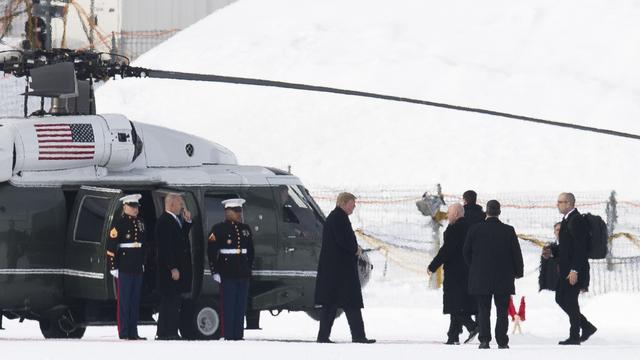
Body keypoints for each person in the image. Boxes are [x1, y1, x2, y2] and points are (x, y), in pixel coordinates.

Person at [315, 192, 375, 344]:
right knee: (345, 303)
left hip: (337, 270)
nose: (354, 206)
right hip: (339, 271)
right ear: (344, 203)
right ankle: (356, 336)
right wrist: (355, 249)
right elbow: (343, 240)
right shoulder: (338, 218)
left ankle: (328, 336)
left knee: (337, 304)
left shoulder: (338, 217)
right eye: (352, 203)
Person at [463, 200, 523, 349]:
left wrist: (474, 267)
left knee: (483, 310)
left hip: (481, 277)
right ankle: (502, 340)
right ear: (499, 212)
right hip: (503, 277)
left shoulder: (475, 229)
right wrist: (518, 272)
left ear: (486, 212)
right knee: (502, 310)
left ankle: (484, 340)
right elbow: (516, 253)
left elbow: (466, 252)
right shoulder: (508, 230)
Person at [427, 203, 478, 345]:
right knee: (459, 303)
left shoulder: (454, 229)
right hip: (468, 272)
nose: (447, 215)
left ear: (456, 214)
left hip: (454, 273)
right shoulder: (470, 227)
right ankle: (453, 336)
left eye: (449, 213)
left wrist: (433, 266)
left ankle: (471, 326)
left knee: (454, 304)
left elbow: (446, 250)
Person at [208, 198, 255, 341]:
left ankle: (238, 335)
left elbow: (251, 251)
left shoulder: (245, 229)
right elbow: (211, 251)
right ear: (227, 212)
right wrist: (214, 270)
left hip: (242, 272)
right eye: (236, 211)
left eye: (240, 210)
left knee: (241, 306)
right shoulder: (219, 229)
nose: (239, 214)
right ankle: (227, 334)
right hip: (227, 272)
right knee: (228, 305)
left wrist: (249, 267)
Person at [554, 192, 597, 345]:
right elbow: (567, 247)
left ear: (570, 204)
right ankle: (586, 326)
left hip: (574, 270)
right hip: (566, 270)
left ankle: (574, 336)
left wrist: (575, 270)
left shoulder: (576, 220)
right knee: (560, 298)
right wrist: (552, 252)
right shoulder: (568, 220)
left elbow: (580, 248)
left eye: (561, 202)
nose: (557, 204)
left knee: (570, 301)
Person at [106, 194, 147, 340]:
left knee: (135, 301)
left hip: (136, 266)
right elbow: (111, 247)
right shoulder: (119, 224)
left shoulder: (141, 222)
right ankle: (124, 332)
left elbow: (143, 246)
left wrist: (142, 263)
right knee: (124, 302)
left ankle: (133, 332)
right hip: (124, 267)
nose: (135, 209)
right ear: (125, 207)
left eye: (136, 207)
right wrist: (113, 267)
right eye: (132, 206)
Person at [155, 193, 192, 340]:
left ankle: (165, 331)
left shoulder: (175, 220)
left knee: (172, 300)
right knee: (170, 301)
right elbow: (166, 248)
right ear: (171, 205)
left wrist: (188, 222)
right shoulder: (164, 221)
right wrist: (172, 267)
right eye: (180, 204)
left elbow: (181, 238)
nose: (182, 207)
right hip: (169, 270)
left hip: (177, 268)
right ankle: (168, 331)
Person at [539, 223, 561, 291]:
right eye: (557, 230)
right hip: (551, 288)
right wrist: (542, 286)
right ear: (554, 232)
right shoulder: (548, 248)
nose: (559, 232)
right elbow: (543, 269)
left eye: (561, 229)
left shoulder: (573, 247)